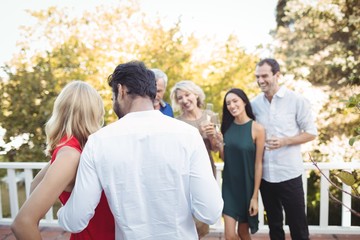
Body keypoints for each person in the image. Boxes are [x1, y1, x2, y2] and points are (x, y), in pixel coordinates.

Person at [57, 61, 223, 240]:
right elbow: (210, 212)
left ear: (121, 90)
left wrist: (61, 214)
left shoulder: (98, 142)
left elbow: (75, 220)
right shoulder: (188, 135)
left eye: (113, 96)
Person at [11, 81, 115, 240]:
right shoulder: (70, 155)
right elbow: (23, 223)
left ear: (60, 111)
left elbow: (35, 184)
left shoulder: (80, 149)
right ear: (95, 113)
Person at [251, 58, 317, 240]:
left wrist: (285, 141)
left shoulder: (296, 100)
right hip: (265, 177)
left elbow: (311, 133)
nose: (260, 80)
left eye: (264, 76)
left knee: (298, 227)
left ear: (277, 75)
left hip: (290, 174)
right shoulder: (254, 104)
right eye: (257, 76)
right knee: (274, 227)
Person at [170, 80, 223, 239]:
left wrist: (214, 137)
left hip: (207, 169)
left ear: (196, 95)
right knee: (187, 215)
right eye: (180, 98)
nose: (184, 100)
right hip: (186, 172)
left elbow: (214, 148)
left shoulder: (211, 116)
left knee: (203, 213)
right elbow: (178, 151)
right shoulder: (177, 122)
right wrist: (198, 135)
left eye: (187, 95)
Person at [220, 88, 265, 240]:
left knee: (243, 233)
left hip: (247, 187)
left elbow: (258, 164)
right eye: (228, 103)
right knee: (230, 235)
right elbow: (225, 157)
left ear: (244, 102)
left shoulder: (258, 129)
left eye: (235, 101)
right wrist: (218, 143)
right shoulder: (226, 127)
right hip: (229, 187)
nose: (231, 106)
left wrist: (254, 197)